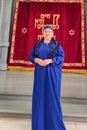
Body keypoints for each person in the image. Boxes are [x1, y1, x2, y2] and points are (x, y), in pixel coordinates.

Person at [29, 25, 66, 130]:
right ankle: (39, 125)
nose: (47, 33)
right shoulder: (37, 45)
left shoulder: (57, 45)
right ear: (42, 33)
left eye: (49, 31)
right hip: (40, 74)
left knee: (52, 96)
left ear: (52, 33)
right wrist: (37, 60)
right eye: (45, 31)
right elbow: (31, 56)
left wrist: (50, 60)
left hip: (53, 74)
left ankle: (54, 125)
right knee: (40, 96)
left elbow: (61, 57)